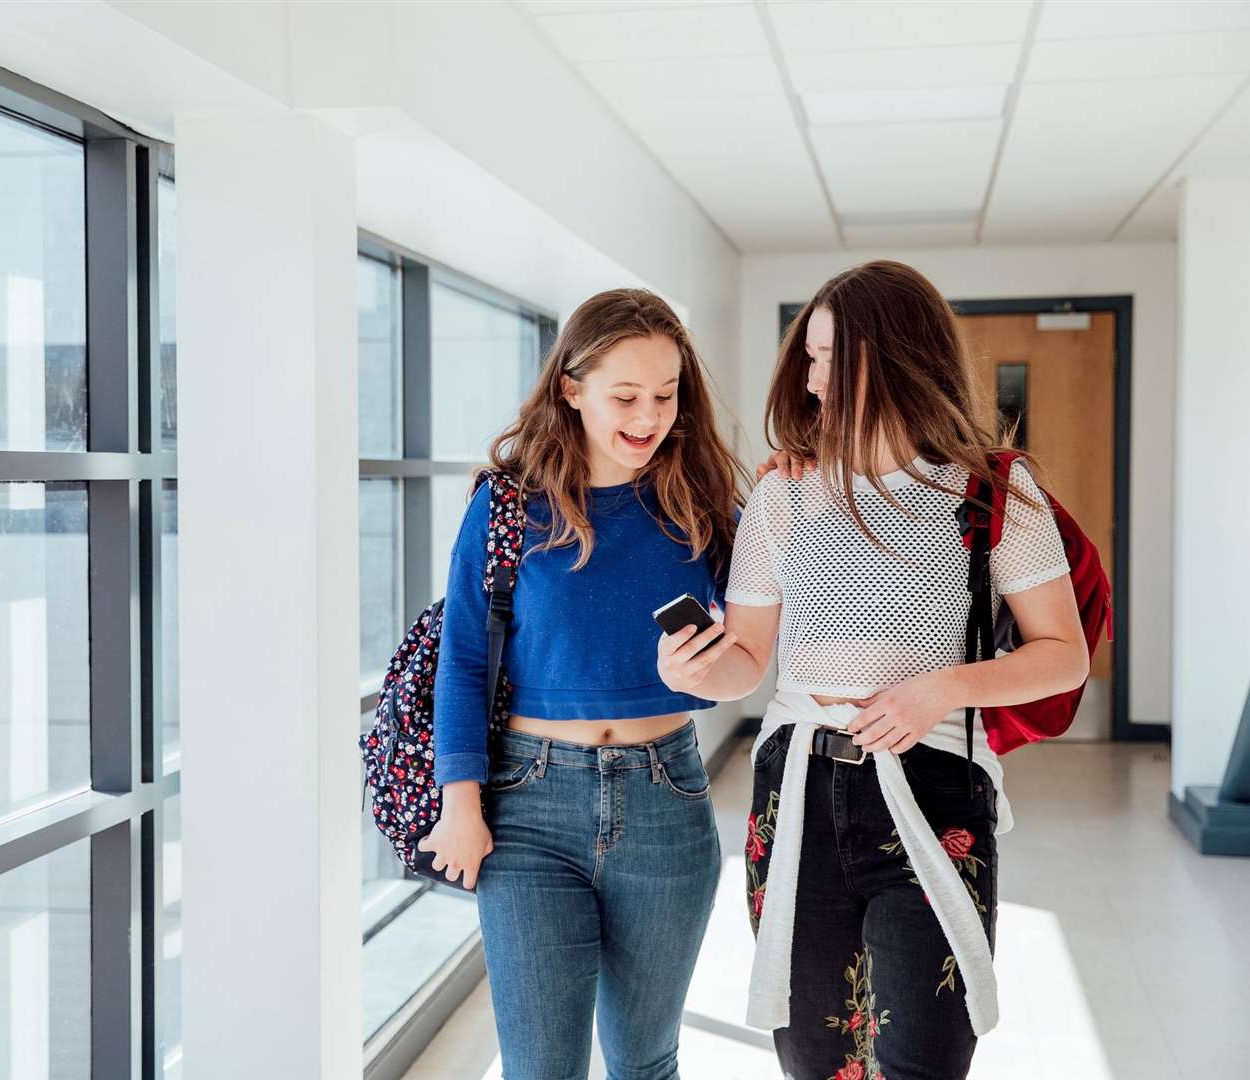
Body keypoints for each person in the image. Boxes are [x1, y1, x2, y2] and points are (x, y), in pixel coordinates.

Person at [663, 260, 1090, 1079]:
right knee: (818, 1058)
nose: (812, 378)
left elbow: (1061, 654)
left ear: (892, 357)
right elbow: (746, 660)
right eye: (810, 356)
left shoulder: (995, 490)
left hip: (932, 790)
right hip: (797, 793)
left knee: (926, 1055)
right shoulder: (785, 494)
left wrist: (943, 688)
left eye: (831, 356)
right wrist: (692, 671)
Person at [421, 287, 749, 1079]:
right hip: (526, 805)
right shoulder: (505, 505)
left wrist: (699, 676)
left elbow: (741, 656)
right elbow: (462, 659)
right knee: (541, 1067)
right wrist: (459, 803)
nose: (648, 417)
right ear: (570, 388)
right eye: (625, 395)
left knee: (643, 1060)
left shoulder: (701, 504)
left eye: (666, 396)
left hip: (664, 795)